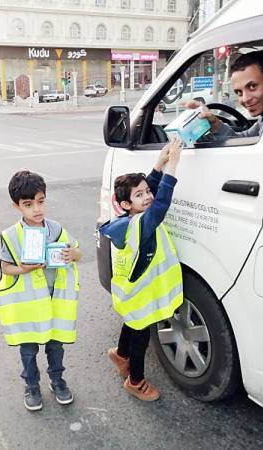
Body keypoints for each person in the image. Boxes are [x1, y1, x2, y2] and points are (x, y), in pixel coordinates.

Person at [99, 137, 184, 401]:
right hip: (142, 299)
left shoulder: (126, 220)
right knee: (140, 340)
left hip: (130, 297)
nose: (148, 196)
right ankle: (135, 381)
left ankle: (119, 355)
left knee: (131, 325)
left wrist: (158, 164)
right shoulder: (141, 226)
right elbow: (160, 206)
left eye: (148, 191)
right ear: (126, 205)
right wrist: (173, 166)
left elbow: (147, 197)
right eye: (140, 194)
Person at [0, 170, 82, 411]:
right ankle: (32, 385)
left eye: (40, 201)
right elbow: (5, 268)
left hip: (55, 303)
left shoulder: (56, 229)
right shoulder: (11, 235)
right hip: (31, 308)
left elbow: (78, 252)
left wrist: (72, 254)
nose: (36, 209)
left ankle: (57, 380)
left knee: (56, 346)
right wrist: (22, 269)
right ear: (17, 206)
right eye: (28, 204)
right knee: (29, 350)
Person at [186, 50, 263, 138]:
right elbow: (246, 139)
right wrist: (216, 124)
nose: (245, 99)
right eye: (239, 92)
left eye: (252, 86)